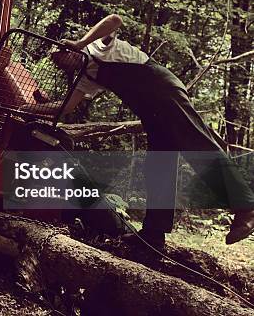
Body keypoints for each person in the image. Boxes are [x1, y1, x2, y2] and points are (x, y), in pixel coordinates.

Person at [26, 14, 254, 249]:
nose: (60, 64)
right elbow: (65, 108)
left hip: (165, 92)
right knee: (159, 164)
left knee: (197, 146)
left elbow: (114, 20)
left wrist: (80, 43)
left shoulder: (98, 46)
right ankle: (154, 235)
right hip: (150, 111)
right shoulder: (87, 77)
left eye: (60, 58)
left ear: (67, 49)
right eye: (57, 62)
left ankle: (245, 207)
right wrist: (25, 107)